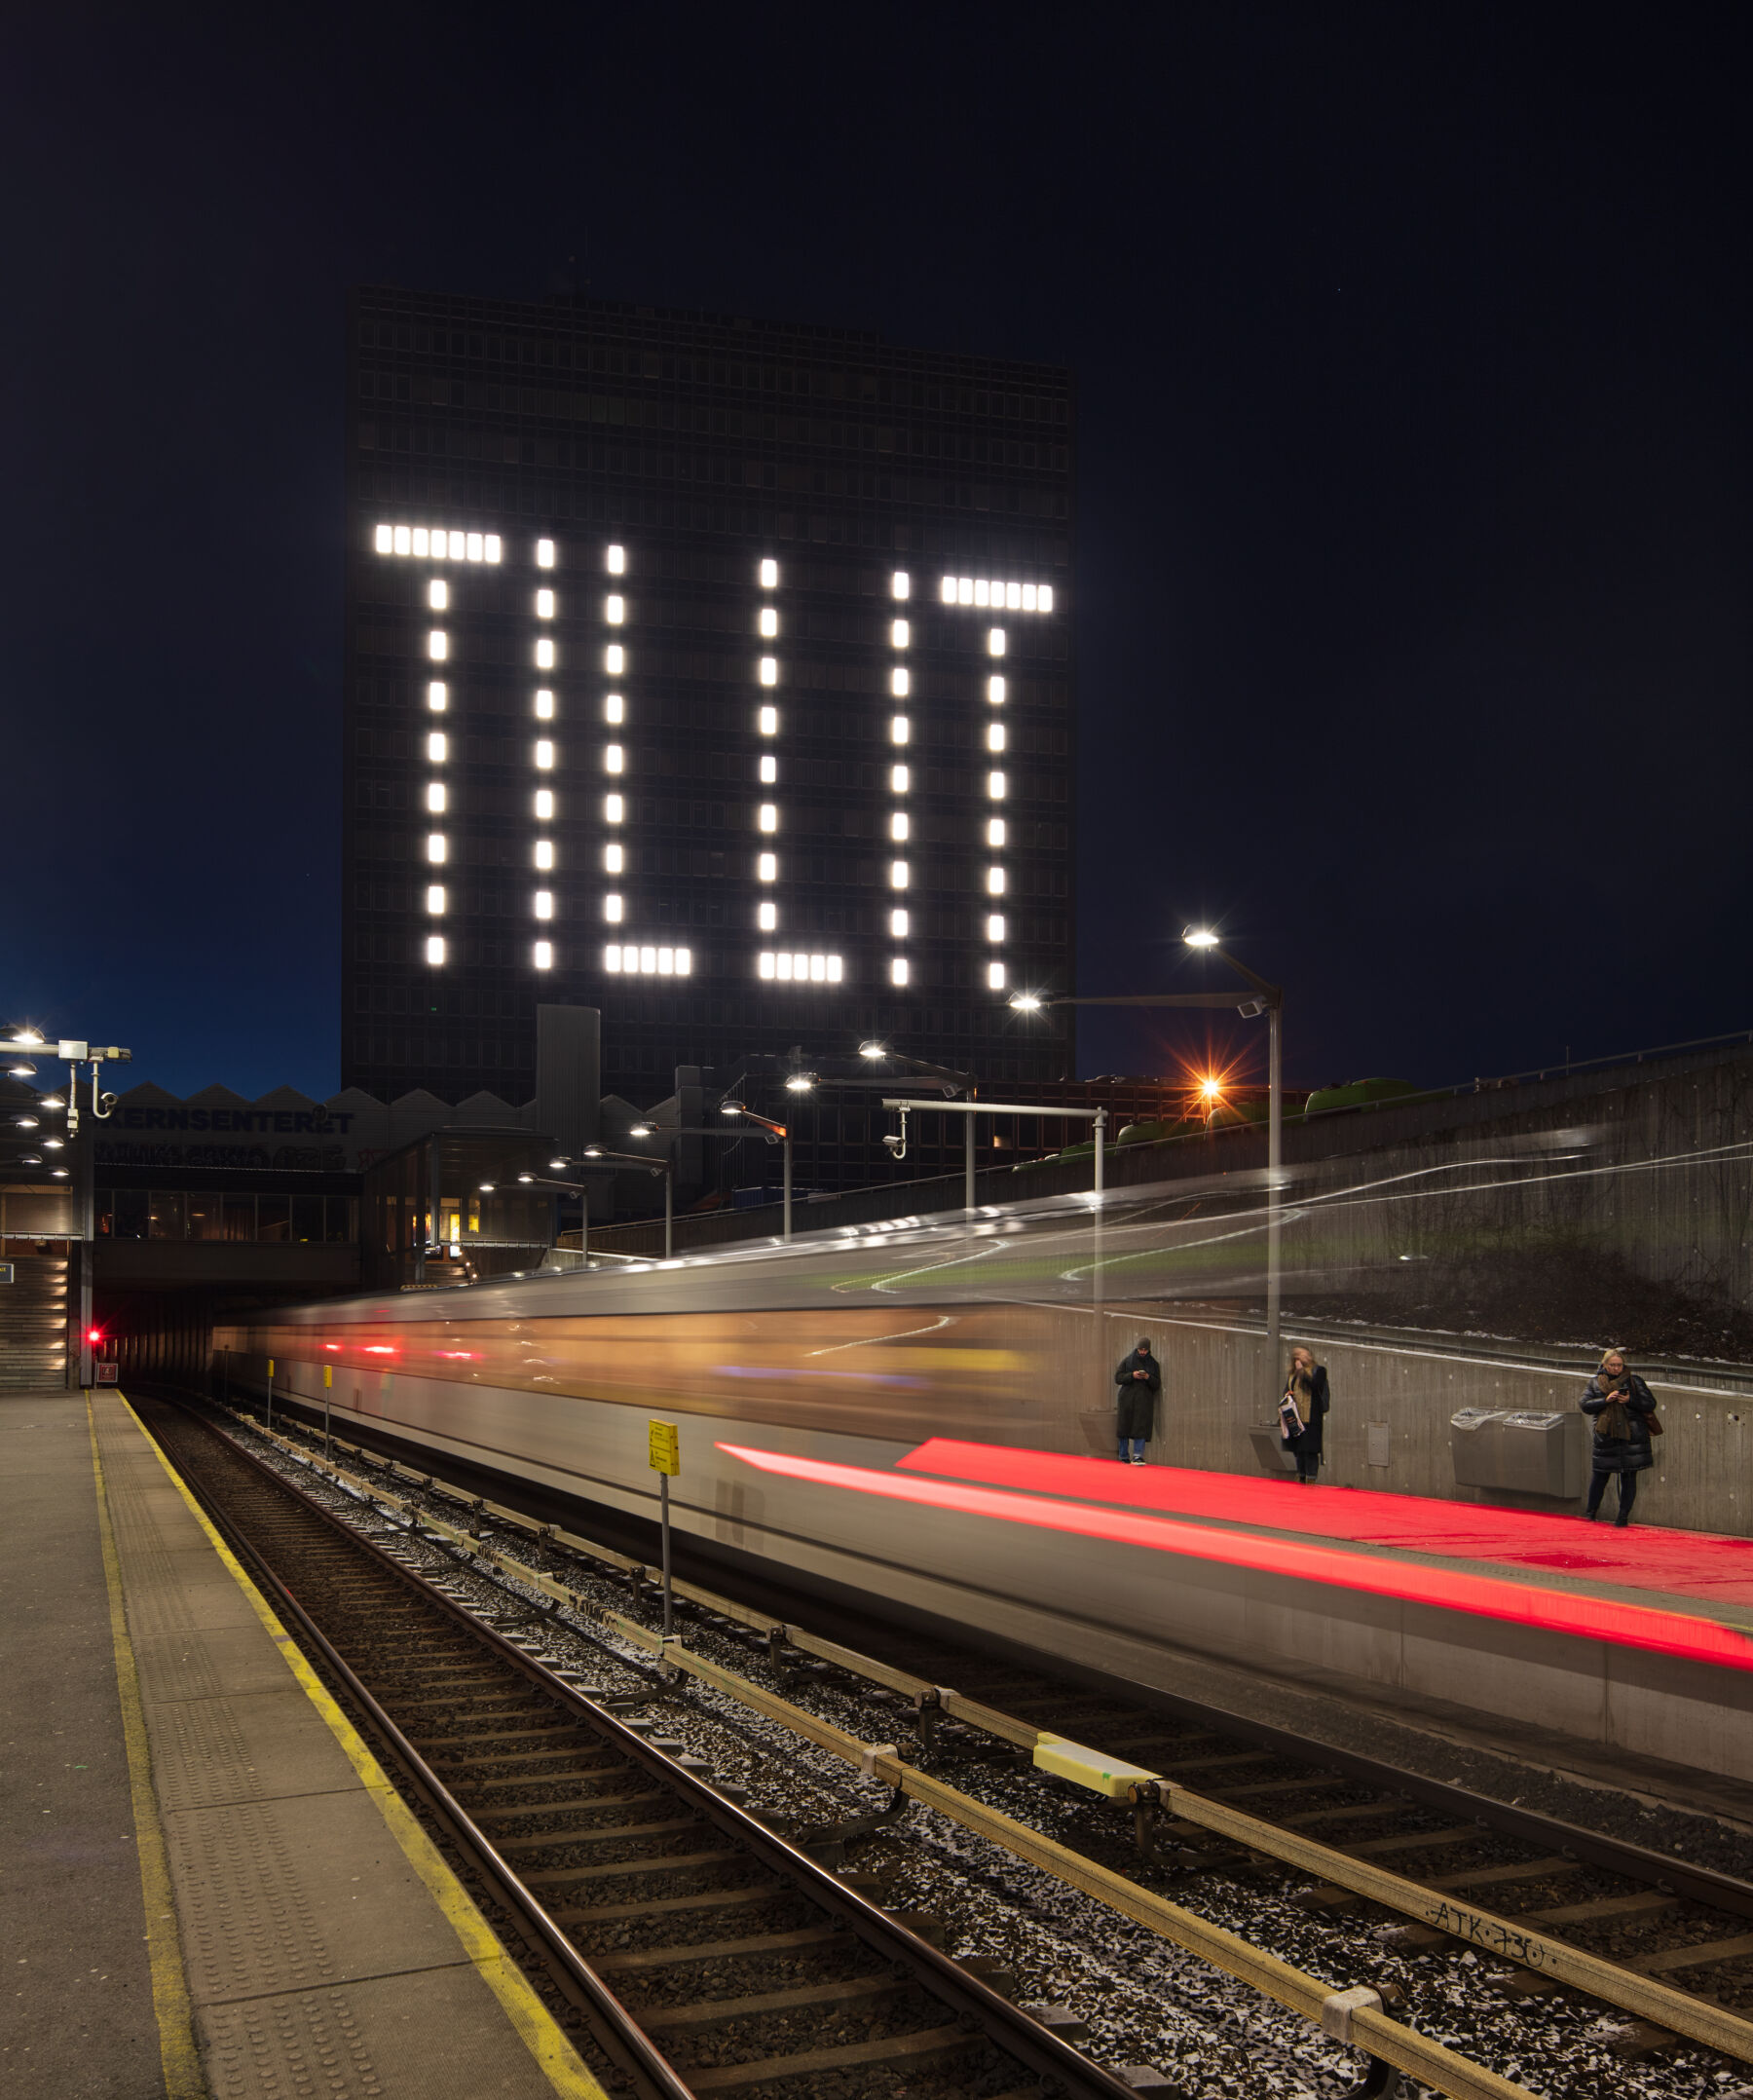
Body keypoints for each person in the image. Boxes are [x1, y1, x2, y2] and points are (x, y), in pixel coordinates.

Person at [1580, 1348, 1657, 1525]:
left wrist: (1630, 1400)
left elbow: (1650, 1404)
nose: (1616, 1368)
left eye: (1619, 1365)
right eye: (1612, 1365)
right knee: (1600, 1476)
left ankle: (1623, 1517)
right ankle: (1591, 1513)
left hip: (1632, 1438)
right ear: (1604, 1365)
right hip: (1606, 1437)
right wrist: (1605, 1400)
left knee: (1629, 1478)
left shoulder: (1634, 1381)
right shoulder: (1595, 1383)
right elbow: (1585, 1405)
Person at [1280, 1345, 1330, 1483]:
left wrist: (1302, 1371)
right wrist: (1288, 1395)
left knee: (1311, 1451)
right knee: (1299, 1451)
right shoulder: (1292, 1375)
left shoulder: (1318, 1371)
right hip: (1296, 1418)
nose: (1303, 1357)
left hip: (1312, 1418)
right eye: (1299, 1355)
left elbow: (1315, 1386)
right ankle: (1301, 1477)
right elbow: (1287, 1390)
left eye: (1305, 1354)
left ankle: (1311, 1479)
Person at [1113, 1338, 1161, 1463]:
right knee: (1124, 1428)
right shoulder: (1127, 1361)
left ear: (1149, 1350)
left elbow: (1157, 1384)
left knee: (1141, 1428)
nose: (1143, 1352)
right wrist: (1131, 1375)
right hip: (1126, 1399)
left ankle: (1138, 1455)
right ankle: (1123, 1456)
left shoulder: (1153, 1364)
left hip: (1143, 1401)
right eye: (1141, 1349)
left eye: (1145, 1350)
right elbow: (1118, 1378)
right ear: (1137, 1348)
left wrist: (1148, 1377)